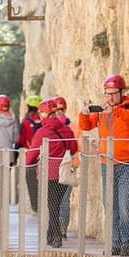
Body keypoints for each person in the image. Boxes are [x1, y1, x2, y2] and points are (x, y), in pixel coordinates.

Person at [78, 74, 129, 256]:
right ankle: (114, 243)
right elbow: (86, 126)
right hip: (107, 163)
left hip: (128, 163)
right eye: (107, 94)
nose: (110, 97)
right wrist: (84, 113)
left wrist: (114, 111)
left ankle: (127, 243)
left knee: (125, 205)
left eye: (114, 93)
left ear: (122, 92)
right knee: (110, 205)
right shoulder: (103, 111)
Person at [26, 99, 77, 248]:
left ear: (43, 115)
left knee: (53, 206)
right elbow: (73, 148)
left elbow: (32, 154)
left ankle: (56, 237)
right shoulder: (66, 129)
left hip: (49, 174)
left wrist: (27, 165)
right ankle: (51, 235)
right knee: (56, 203)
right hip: (65, 172)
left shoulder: (42, 132)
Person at [53, 95, 73, 236]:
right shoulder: (71, 125)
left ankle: (54, 228)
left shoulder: (48, 125)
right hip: (67, 164)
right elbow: (75, 146)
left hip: (52, 165)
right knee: (65, 198)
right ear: (65, 108)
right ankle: (63, 229)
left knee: (53, 198)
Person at [19, 95, 43, 212]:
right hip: (45, 157)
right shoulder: (44, 120)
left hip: (30, 157)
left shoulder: (25, 121)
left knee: (32, 183)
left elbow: (21, 140)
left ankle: (36, 208)